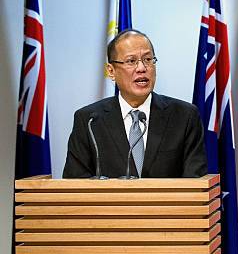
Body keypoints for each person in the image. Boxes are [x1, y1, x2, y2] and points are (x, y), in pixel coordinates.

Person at [63, 29, 207, 178]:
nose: (142, 68)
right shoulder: (89, 120)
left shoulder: (184, 116)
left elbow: (195, 181)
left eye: (148, 59)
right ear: (111, 71)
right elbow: (75, 182)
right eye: (131, 61)